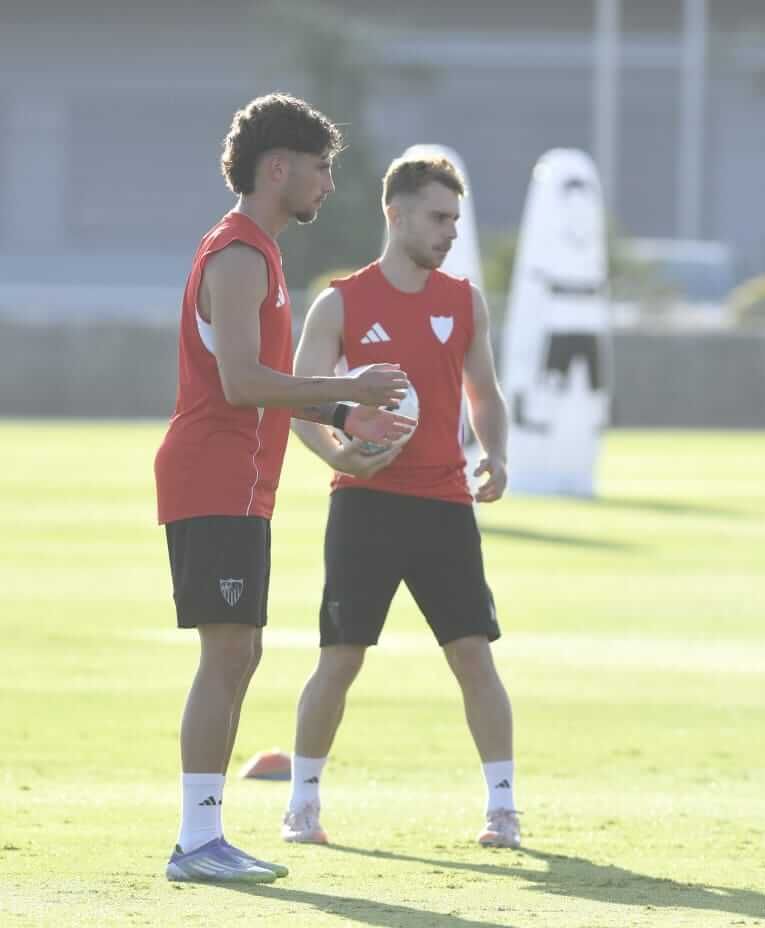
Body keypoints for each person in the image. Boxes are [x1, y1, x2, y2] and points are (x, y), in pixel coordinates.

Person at [154, 93, 415, 883]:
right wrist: (348, 394)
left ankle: (207, 837)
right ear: (278, 169)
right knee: (228, 651)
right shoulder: (237, 255)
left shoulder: (257, 253)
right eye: (320, 168)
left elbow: (257, 384)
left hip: (240, 483)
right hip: (214, 475)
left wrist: (341, 411)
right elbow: (240, 382)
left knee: (241, 651)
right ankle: (196, 842)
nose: (329, 185)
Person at [279, 154, 519, 850]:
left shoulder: (464, 300)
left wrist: (494, 455)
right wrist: (339, 455)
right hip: (364, 505)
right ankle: (303, 804)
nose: (449, 231)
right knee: (341, 657)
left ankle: (503, 807)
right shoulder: (342, 302)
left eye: (455, 219)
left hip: (444, 503)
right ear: (397, 213)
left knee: (473, 655)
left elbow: (486, 394)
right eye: (438, 217)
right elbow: (299, 406)